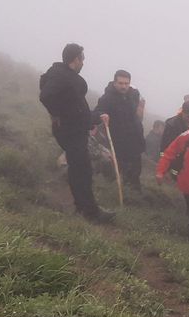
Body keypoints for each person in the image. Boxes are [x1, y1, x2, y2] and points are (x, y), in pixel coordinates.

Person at [39, 43, 114, 223]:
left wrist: (95, 117)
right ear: (76, 59)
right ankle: (89, 211)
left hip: (74, 128)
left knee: (81, 168)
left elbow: (76, 109)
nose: (84, 63)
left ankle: (84, 208)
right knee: (82, 170)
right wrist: (55, 113)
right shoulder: (63, 76)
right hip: (71, 130)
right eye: (83, 59)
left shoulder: (58, 73)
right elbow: (46, 96)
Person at [93, 70, 145, 191]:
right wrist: (102, 114)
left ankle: (135, 189)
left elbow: (137, 110)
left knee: (136, 165)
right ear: (115, 82)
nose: (123, 86)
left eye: (126, 83)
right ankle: (119, 189)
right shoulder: (107, 98)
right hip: (118, 138)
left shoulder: (134, 94)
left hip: (135, 136)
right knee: (121, 165)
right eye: (121, 83)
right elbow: (97, 111)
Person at [160, 100, 189, 178]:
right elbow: (164, 148)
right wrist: (164, 168)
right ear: (183, 112)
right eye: (188, 117)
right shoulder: (171, 125)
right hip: (175, 164)